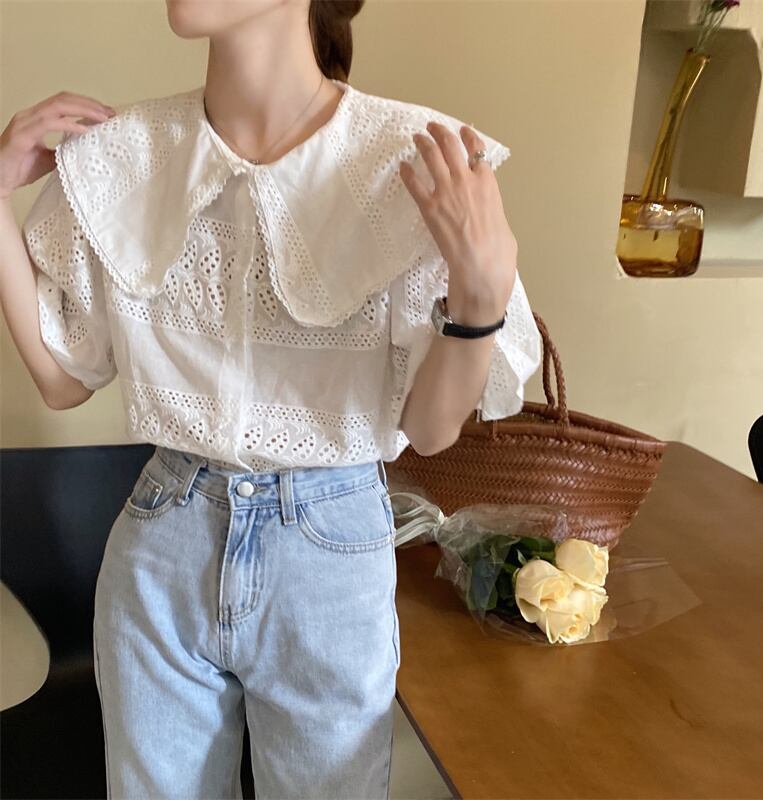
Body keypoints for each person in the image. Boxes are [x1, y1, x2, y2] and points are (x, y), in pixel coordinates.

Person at [0, 0, 543, 797]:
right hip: (164, 536)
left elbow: (430, 430)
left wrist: (481, 294)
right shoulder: (126, 155)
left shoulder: (410, 156)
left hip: (329, 551)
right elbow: (62, 377)